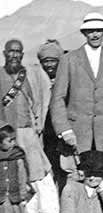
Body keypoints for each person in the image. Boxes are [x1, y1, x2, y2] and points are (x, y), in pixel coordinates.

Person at [49, 12, 103, 175]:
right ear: (84, 33)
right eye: (90, 31)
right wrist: (65, 130)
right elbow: (57, 98)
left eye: (98, 30)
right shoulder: (69, 60)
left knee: (102, 180)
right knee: (74, 180)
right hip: (75, 135)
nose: (94, 34)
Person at [0, 39, 57, 213]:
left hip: (27, 131)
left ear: (22, 55)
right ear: (4, 54)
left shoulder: (29, 75)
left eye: (18, 52)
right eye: (11, 51)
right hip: (4, 134)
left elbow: (37, 102)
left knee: (37, 171)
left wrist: (37, 125)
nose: (14, 55)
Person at [0, 121, 31, 213]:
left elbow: (22, 176)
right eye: (9, 140)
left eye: (14, 140)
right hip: (1, 200)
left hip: (14, 199)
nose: (13, 143)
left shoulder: (17, 156)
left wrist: (23, 196)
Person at [37, 39, 67, 191]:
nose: (49, 65)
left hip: (64, 133)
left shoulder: (67, 79)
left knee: (65, 171)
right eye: (45, 61)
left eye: (52, 61)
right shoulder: (38, 81)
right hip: (46, 134)